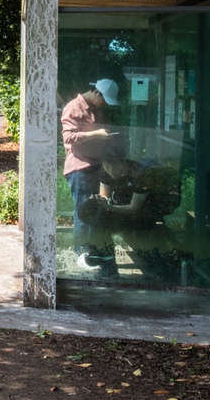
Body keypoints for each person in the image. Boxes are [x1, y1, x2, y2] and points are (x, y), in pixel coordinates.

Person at [76, 142, 182, 279]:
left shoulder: (139, 174)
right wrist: (98, 200)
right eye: (106, 165)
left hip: (147, 213)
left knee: (103, 220)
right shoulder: (105, 172)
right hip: (124, 210)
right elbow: (104, 197)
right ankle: (105, 260)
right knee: (97, 216)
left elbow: (134, 208)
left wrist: (109, 207)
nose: (110, 169)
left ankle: (105, 260)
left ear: (123, 161)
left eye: (114, 164)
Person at [60, 78, 119, 272]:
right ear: (97, 93)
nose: (105, 105)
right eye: (105, 100)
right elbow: (68, 137)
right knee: (83, 211)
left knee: (96, 209)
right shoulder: (73, 108)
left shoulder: (97, 108)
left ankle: (92, 250)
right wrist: (96, 134)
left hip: (96, 165)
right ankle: (81, 253)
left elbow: (97, 134)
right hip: (80, 168)